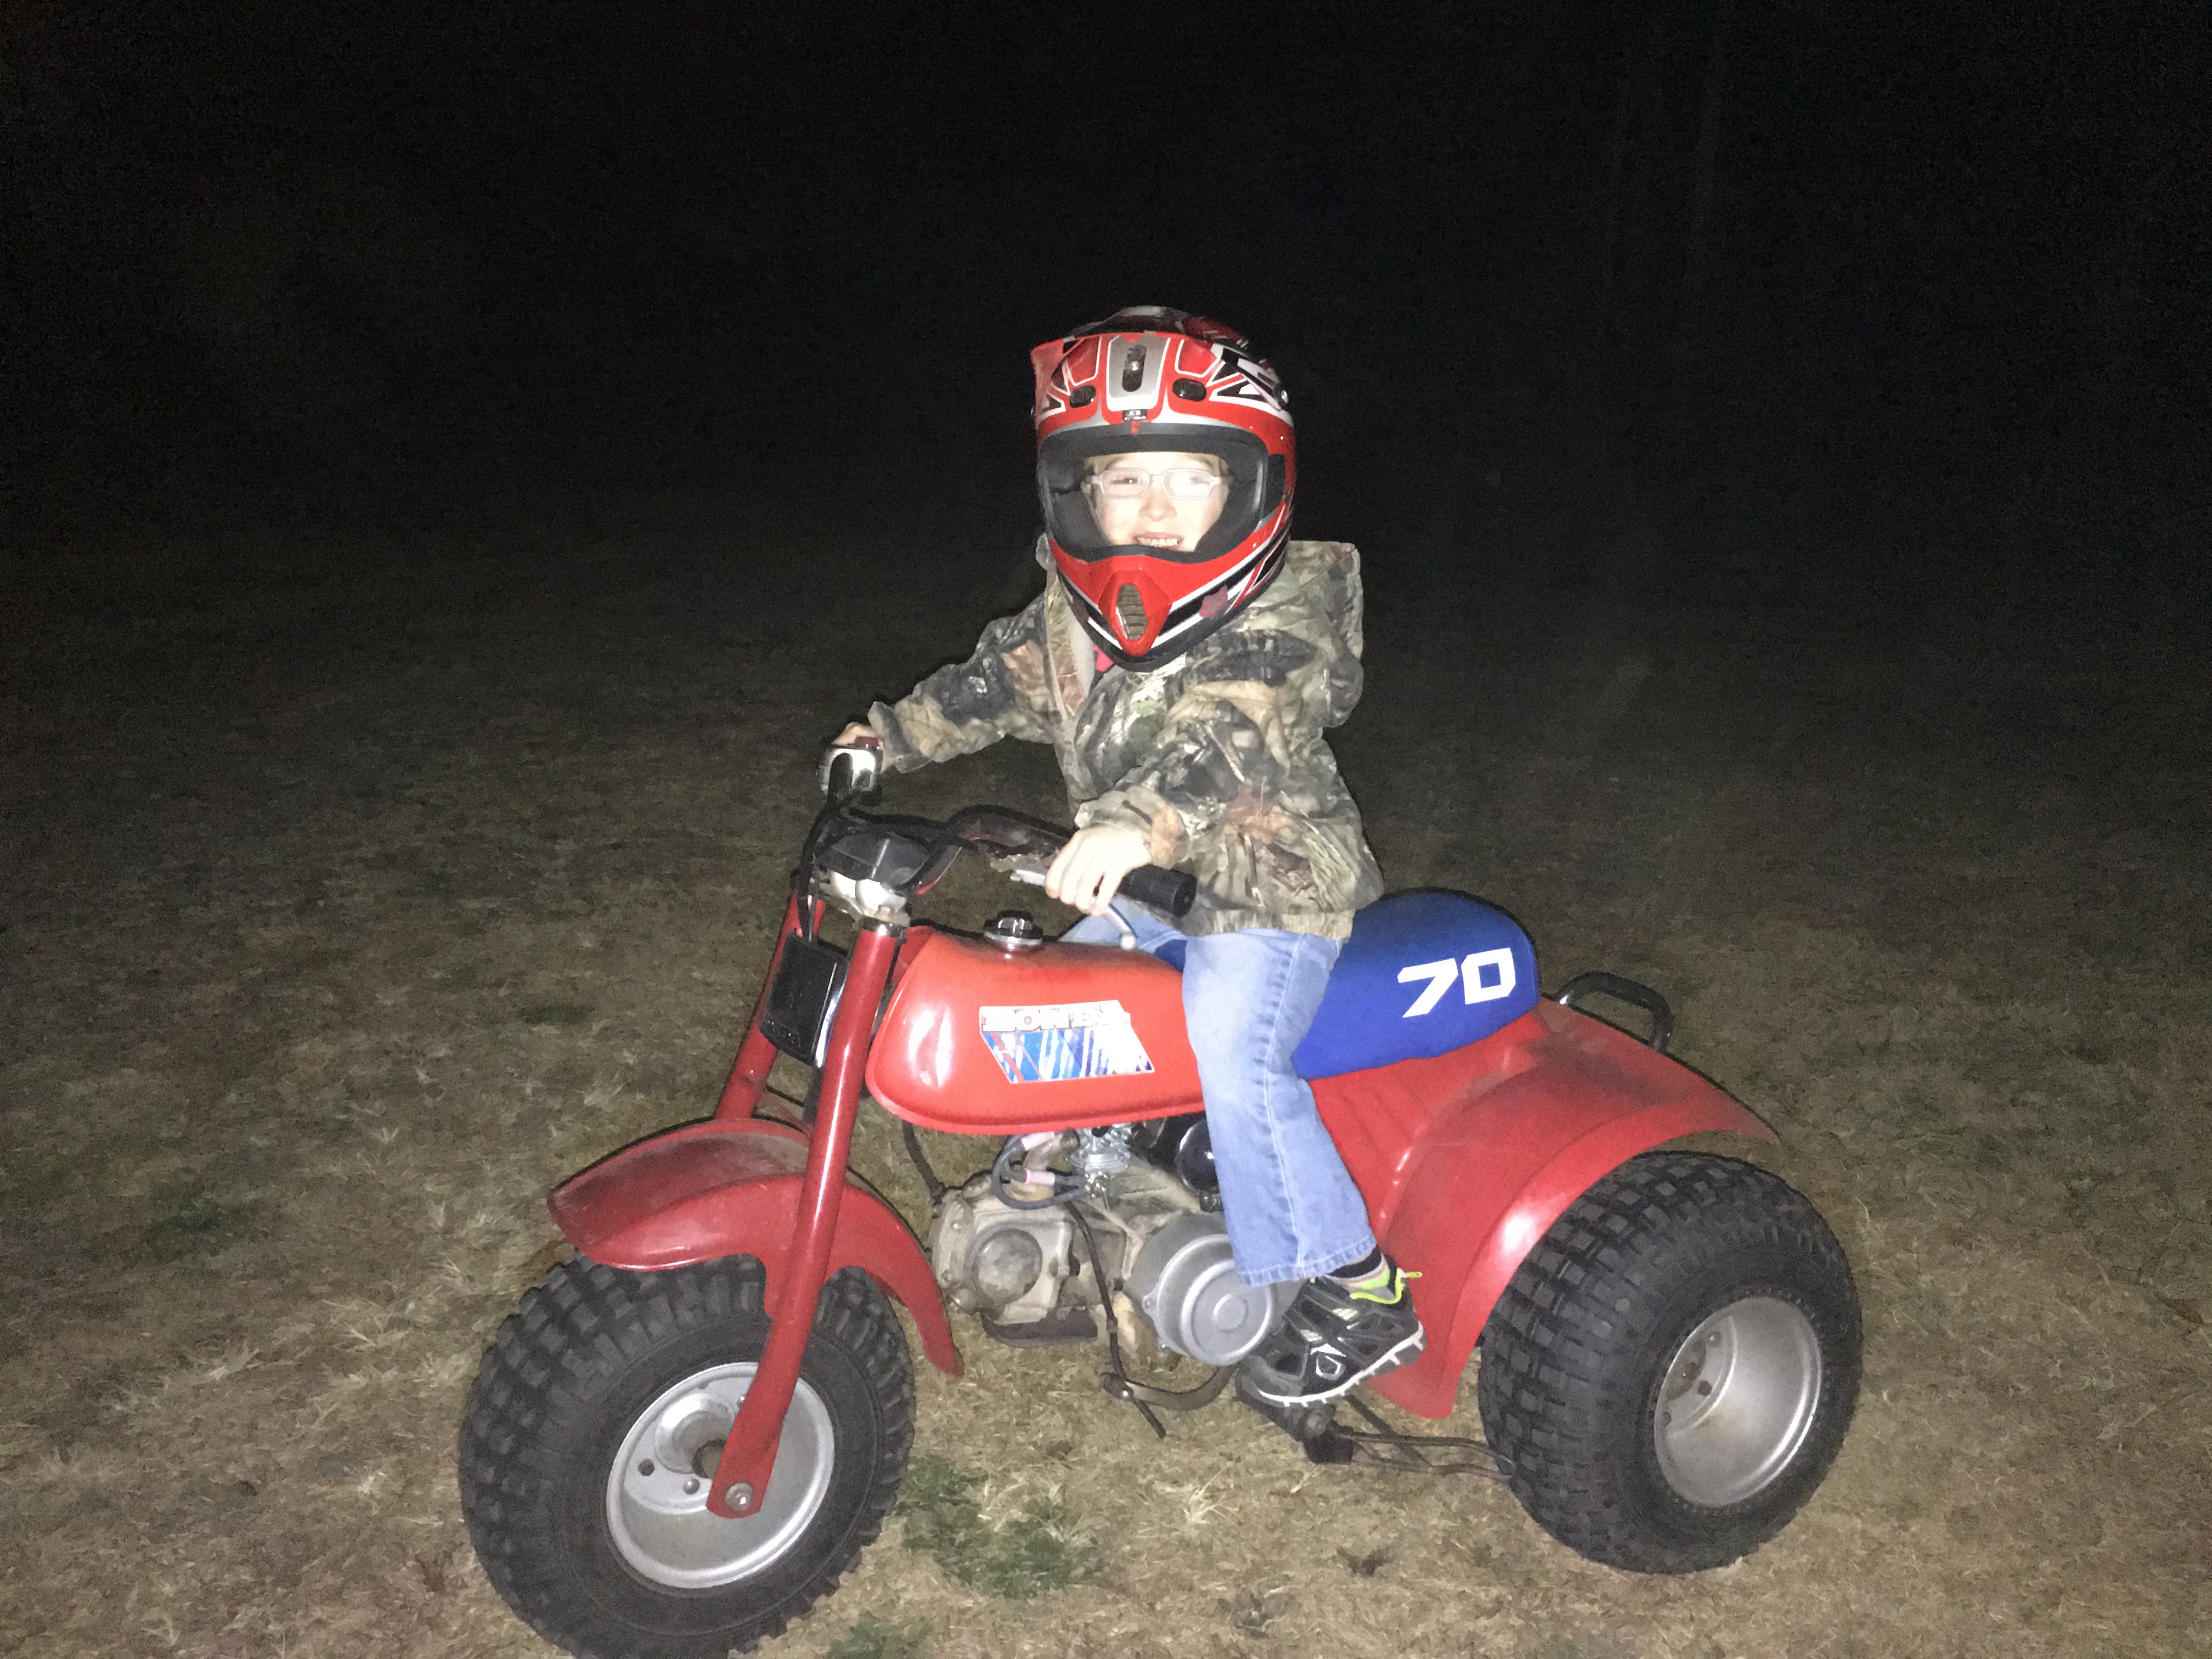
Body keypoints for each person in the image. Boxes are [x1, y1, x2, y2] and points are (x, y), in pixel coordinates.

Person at [832, 306, 1419, 1407]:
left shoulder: (1285, 612)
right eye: (1122, 480)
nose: (1152, 508)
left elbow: (1235, 735)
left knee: (1235, 1054)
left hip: (1268, 894)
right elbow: (994, 685)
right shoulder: (1075, 618)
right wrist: (889, 737)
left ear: (1247, 487)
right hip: (1155, 886)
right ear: (1076, 494)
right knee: (1057, 1003)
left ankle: (1357, 1284)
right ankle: (1080, 1174)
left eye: (1188, 478)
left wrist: (1135, 824)